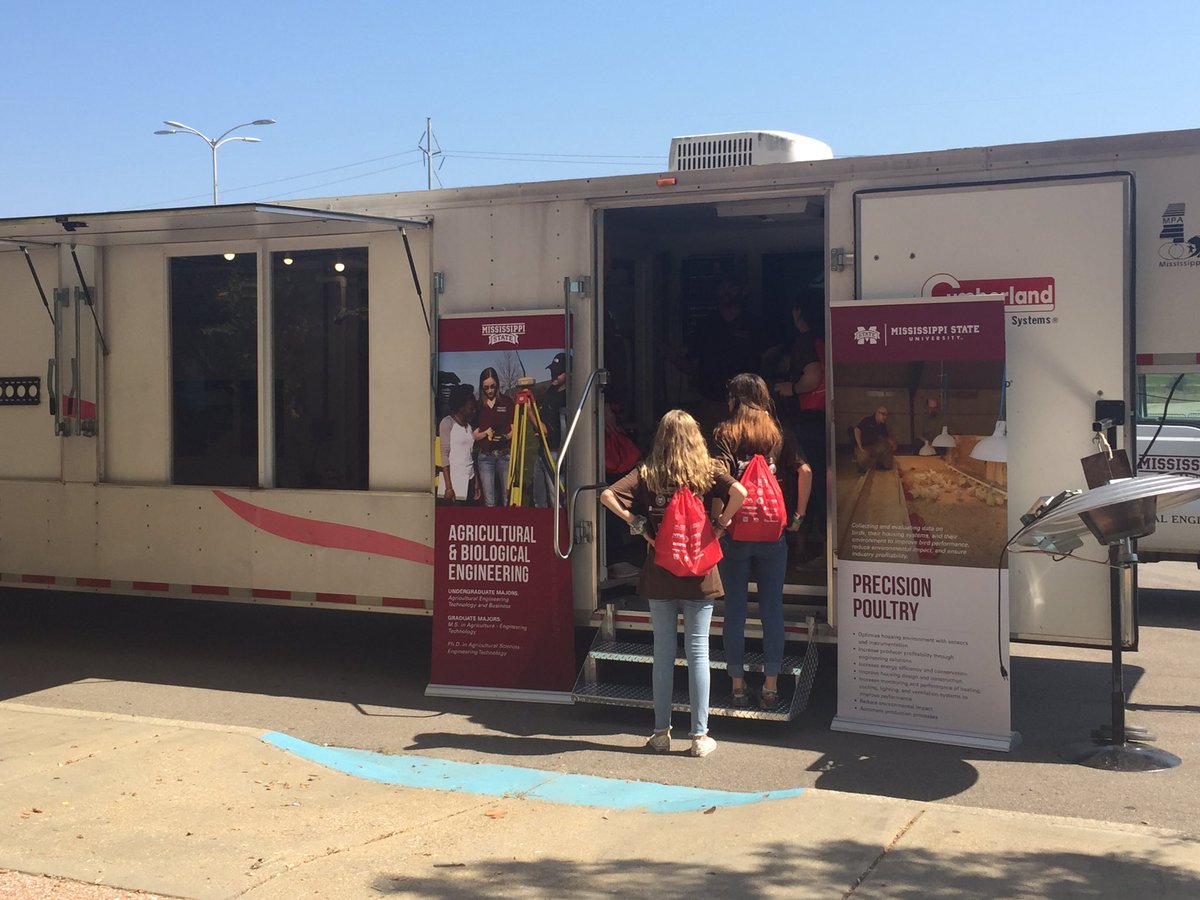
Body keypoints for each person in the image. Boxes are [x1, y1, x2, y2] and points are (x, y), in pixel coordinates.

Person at [600, 409, 747, 757]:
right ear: (695, 438)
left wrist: (640, 527)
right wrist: (721, 526)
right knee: (698, 651)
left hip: (661, 572)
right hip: (700, 572)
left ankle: (660, 733)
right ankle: (699, 737)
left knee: (662, 652)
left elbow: (607, 495)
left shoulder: (648, 472)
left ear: (661, 438)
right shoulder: (707, 470)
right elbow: (740, 491)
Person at [713, 374, 812, 709]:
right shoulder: (777, 433)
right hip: (773, 533)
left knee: (735, 610)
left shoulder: (724, 433)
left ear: (734, 398)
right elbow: (806, 472)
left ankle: (738, 685)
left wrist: (719, 524)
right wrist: (797, 517)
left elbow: (718, 482)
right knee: (772, 608)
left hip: (735, 533)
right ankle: (771, 685)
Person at [762, 291, 826, 563]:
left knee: (808, 486)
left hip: (807, 422)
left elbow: (812, 376)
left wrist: (792, 387)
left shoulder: (804, 341)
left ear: (799, 312)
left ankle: (813, 547)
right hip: (823, 419)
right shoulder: (825, 338)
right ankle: (819, 545)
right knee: (823, 485)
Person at [668, 274, 767, 438]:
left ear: (743, 291)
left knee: (749, 452)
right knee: (711, 452)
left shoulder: (755, 324)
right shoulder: (705, 325)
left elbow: (767, 361)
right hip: (712, 403)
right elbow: (692, 365)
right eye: (722, 287)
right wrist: (670, 356)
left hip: (748, 406)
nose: (726, 292)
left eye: (732, 287)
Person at [471, 367, 514, 507]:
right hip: (485, 458)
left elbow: (516, 429)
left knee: (507, 497)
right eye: (486, 388)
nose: (490, 391)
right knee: (490, 500)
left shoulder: (507, 402)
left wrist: (506, 437)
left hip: (504, 456)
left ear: (497, 384)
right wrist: (486, 432)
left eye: (493, 386)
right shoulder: (478, 406)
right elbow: (474, 435)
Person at [534, 352, 569, 508]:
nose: (554, 375)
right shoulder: (550, 392)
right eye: (552, 371)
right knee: (539, 498)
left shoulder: (568, 397)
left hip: (555, 453)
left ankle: (559, 529)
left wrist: (529, 413)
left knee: (556, 497)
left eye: (558, 372)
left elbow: (547, 430)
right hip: (542, 451)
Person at [438, 384, 478, 503]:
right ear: (461, 406)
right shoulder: (447, 423)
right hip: (456, 483)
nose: (473, 410)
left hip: (470, 478)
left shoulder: (469, 427)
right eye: (471, 408)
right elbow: (444, 456)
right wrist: (449, 487)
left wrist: (476, 483)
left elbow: (470, 456)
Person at [854, 406, 897, 472]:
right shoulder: (867, 420)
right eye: (883, 414)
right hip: (863, 446)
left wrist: (893, 444)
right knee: (863, 458)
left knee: (887, 446)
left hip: (874, 445)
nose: (885, 417)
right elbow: (857, 430)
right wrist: (860, 446)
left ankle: (881, 464)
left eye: (886, 415)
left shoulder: (882, 424)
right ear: (877, 413)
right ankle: (862, 465)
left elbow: (886, 436)